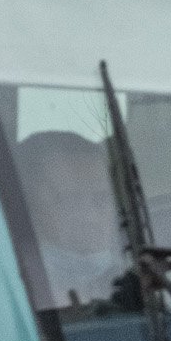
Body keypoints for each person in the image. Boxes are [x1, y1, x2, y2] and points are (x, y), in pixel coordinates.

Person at [15, 129, 130, 309]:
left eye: (101, 199)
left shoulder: (142, 285)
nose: (90, 216)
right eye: (71, 201)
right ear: (31, 205)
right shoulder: (15, 293)